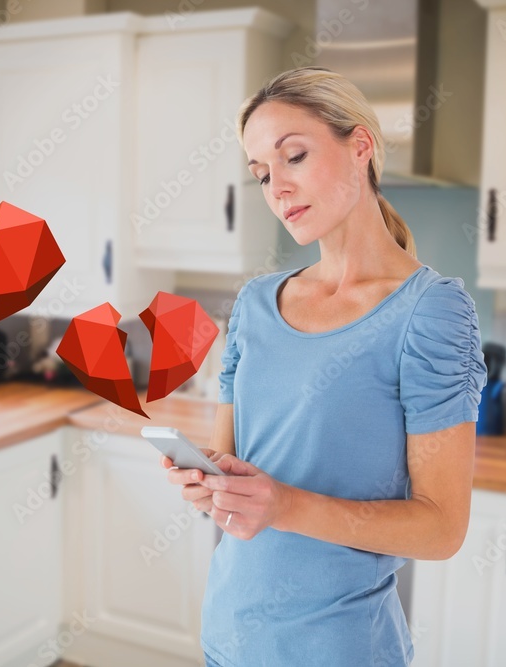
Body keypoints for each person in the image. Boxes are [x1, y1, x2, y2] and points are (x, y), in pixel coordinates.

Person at [160, 66, 488, 666]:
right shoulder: (257, 303)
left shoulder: (431, 310)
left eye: (295, 157)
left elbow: (442, 528)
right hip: (228, 636)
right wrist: (209, 484)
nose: (277, 187)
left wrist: (283, 504)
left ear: (359, 146)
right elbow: (236, 474)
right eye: (262, 173)